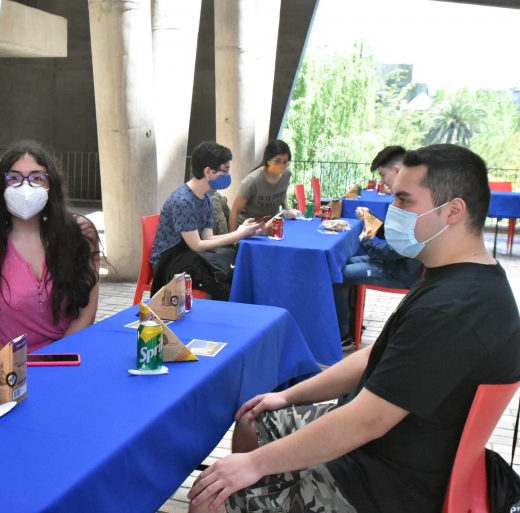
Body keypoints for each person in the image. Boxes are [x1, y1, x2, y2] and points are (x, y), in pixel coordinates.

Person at [188, 144, 520, 513]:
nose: (392, 211)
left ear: (453, 211)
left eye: (404, 201)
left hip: (382, 482)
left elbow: (367, 421)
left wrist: (253, 464)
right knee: (253, 419)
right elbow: (372, 358)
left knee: (209, 499)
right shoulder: (451, 278)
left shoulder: (456, 309)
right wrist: (288, 396)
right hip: (379, 448)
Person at [0, 140, 100, 357]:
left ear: (51, 185)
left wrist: (57, 361)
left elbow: (86, 313)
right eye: (14, 178)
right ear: (1, 186)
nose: (25, 187)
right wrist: (18, 366)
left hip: (65, 361)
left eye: (37, 178)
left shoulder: (81, 235)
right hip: (1, 364)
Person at [334, 146, 423, 348]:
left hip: (401, 272)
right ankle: (352, 326)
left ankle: (343, 335)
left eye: (383, 175)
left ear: (397, 170)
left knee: (339, 275)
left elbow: (396, 250)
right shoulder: (406, 197)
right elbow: (391, 234)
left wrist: (366, 240)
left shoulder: (413, 203)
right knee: (343, 263)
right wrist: (370, 219)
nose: (382, 182)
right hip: (394, 263)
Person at [150, 141, 263, 300]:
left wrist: (240, 232)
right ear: (208, 171)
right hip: (169, 263)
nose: (228, 175)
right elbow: (196, 245)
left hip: (191, 256)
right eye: (225, 170)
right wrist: (237, 235)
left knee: (234, 271)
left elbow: (207, 238)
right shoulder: (182, 201)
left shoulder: (206, 198)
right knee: (223, 286)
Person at [228, 140, 292, 231]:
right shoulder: (252, 181)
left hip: (272, 225)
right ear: (268, 160)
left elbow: (281, 193)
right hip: (249, 229)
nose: (281, 165)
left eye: (285, 162)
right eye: (277, 161)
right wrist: (234, 236)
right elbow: (235, 211)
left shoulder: (287, 174)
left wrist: (287, 209)